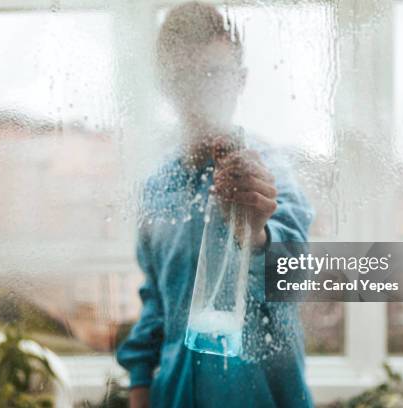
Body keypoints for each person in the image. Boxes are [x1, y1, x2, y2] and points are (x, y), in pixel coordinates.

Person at [116, 2, 315, 407]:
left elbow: (295, 280)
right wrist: (140, 391)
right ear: (165, 83)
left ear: (240, 81)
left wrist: (257, 234)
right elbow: (156, 303)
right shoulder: (157, 188)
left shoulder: (270, 175)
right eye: (184, 76)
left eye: (214, 73)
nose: (200, 89)